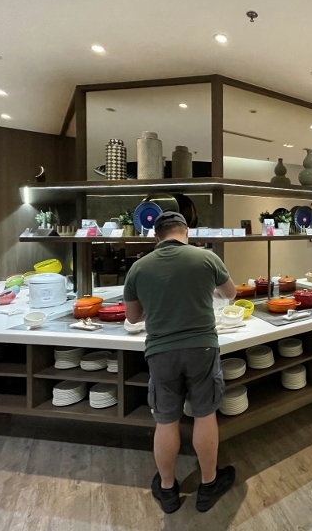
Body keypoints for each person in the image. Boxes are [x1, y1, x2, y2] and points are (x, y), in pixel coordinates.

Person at [124, 211, 237, 514]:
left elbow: (133, 317)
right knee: (204, 414)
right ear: (186, 231)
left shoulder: (139, 267)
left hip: (161, 351)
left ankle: (168, 489)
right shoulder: (207, 257)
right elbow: (230, 294)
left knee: (165, 419)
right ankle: (209, 484)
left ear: (156, 236)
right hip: (201, 348)